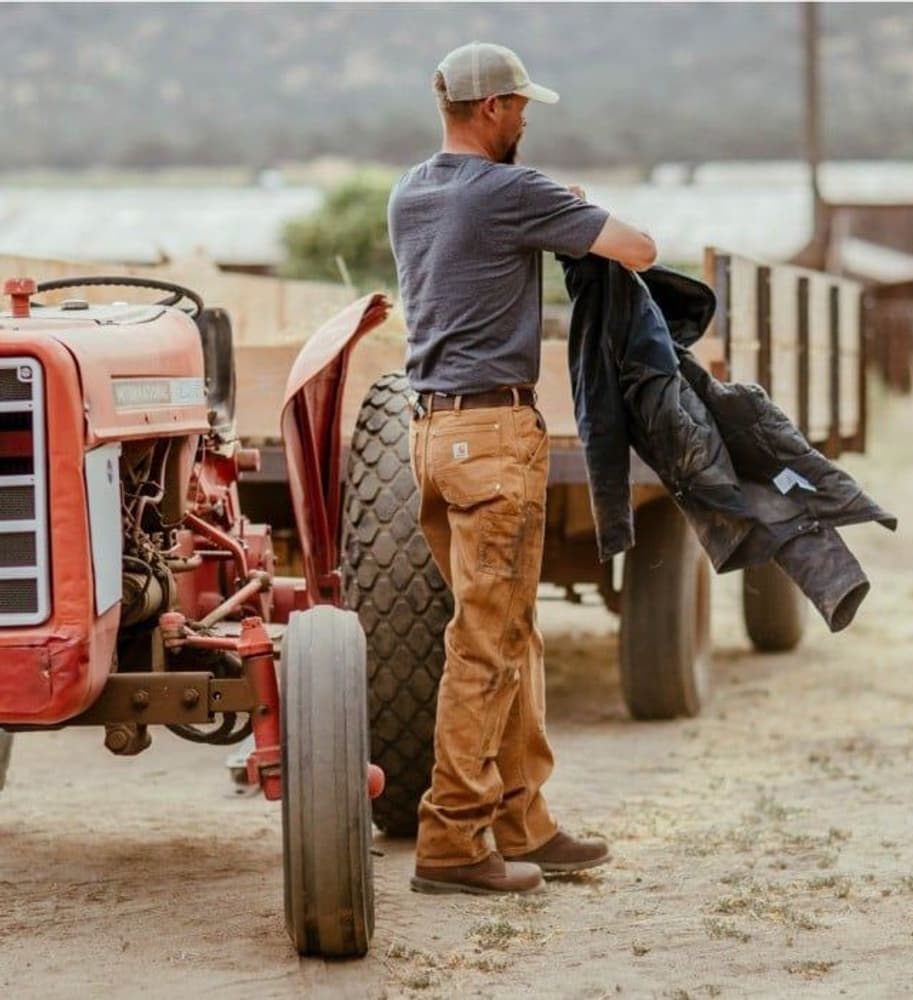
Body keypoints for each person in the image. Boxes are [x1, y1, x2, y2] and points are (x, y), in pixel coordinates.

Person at [387, 41, 656, 896]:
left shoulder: (410, 192)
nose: (526, 120)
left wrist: (549, 207)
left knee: (508, 632)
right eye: (521, 106)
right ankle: (451, 841)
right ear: (492, 108)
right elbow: (639, 249)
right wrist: (567, 206)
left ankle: (523, 821)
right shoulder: (511, 191)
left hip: (432, 439)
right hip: (494, 438)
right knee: (487, 643)